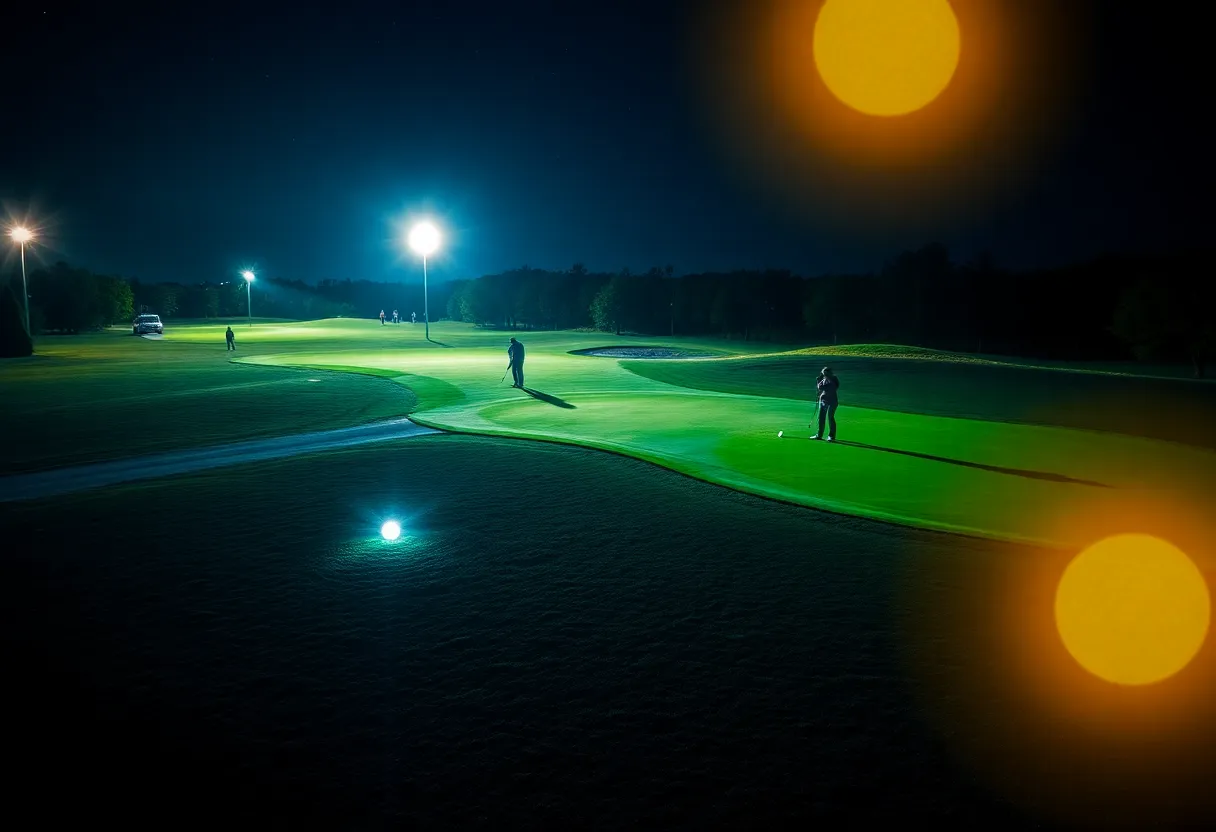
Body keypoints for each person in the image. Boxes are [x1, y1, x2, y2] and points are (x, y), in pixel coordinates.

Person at [811, 366, 840, 441]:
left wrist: (820, 383)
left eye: (826, 373)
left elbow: (831, 387)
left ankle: (831, 436)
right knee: (821, 418)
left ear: (830, 373)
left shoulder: (834, 379)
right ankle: (819, 435)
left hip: (832, 402)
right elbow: (819, 387)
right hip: (823, 401)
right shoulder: (824, 379)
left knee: (830, 418)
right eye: (823, 373)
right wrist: (819, 381)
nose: (824, 375)